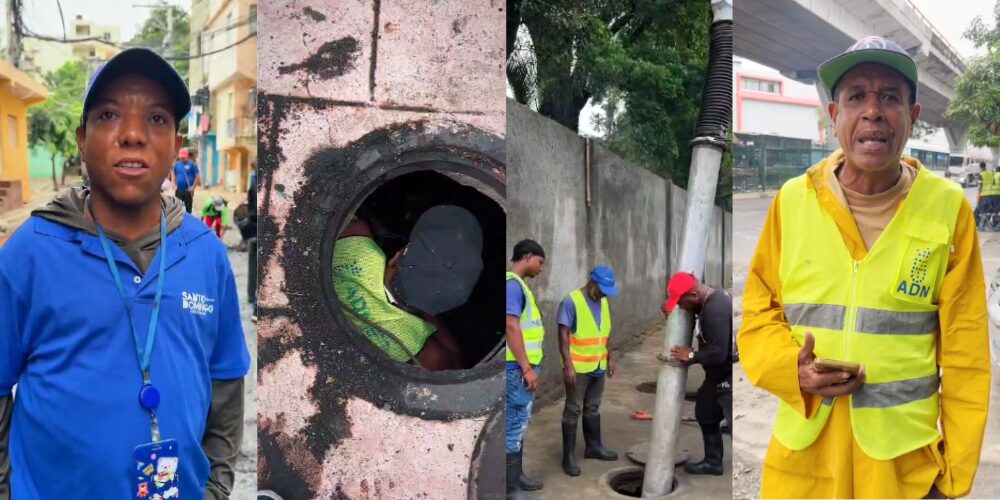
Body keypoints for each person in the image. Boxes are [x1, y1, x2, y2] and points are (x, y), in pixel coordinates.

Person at [738, 36, 989, 499]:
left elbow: (966, 354)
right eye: (856, 96)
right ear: (834, 117)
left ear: (913, 118)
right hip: (804, 465)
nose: (872, 111)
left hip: (902, 470)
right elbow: (758, 314)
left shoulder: (947, 209)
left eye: (889, 97)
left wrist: (952, 481)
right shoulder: (793, 201)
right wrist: (793, 369)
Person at [0, 48, 250, 499]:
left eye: (156, 119)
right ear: (81, 138)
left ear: (177, 144)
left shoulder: (206, 254)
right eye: (110, 115)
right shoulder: (30, 253)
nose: (133, 135)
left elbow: (226, 381)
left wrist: (215, 486)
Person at [333, 205, 481, 371]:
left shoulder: (357, 242)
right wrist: (427, 309)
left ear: (396, 258)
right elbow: (456, 365)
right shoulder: (423, 353)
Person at [664, 272, 733, 476]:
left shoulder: (714, 310)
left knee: (734, 420)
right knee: (705, 411)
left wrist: (691, 355)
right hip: (718, 375)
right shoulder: (709, 300)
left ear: (693, 295)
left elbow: (718, 354)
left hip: (729, 375)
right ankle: (713, 462)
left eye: (682, 302)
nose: (681, 306)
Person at [558, 266, 620, 477]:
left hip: (598, 365)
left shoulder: (603, 301)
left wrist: (610, 357)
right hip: (578, 368)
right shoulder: (571, 301)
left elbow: (605, 332)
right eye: (602, 289)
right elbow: (563, 333)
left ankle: (594, 447)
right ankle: (568, 457)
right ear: (592, 283)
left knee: (593, 407)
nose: (604, 294)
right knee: (573, 409)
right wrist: (568, 366)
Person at [505, 239, 546, 499]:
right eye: (540, 262)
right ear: (528, 256)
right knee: (513, 424)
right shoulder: (512, 285)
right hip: (516, 369)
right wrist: (526, 368)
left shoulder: (518, 286)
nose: (541, 269)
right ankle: (510, 488)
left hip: (521, 368)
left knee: (519, 423)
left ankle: (516, 476)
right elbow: (511, 327)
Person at [170, 147, 200, 213]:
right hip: (179, 190)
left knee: (188, 208)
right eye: (181, 157)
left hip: (188, 191)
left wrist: (193, 187)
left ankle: (188, 221)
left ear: (187, 156)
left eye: (183, 157)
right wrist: (173, 182)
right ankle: (179, 222)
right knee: (177, 208)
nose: (181, 159)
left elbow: (197, 176)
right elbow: (173, 173)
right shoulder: (177, 164)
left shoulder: (192, 164)